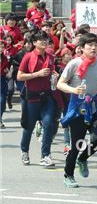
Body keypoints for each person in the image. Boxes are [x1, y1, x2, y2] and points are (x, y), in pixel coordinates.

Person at [56, 33, 97, 188]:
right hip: (78, 108)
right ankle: (68, 175)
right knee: (76, 144)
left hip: (92, 107)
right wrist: (74, 90)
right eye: (89, 45)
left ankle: (83, 159)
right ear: (81, 48)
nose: (93, 48)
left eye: (96, 45)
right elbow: (60, 84)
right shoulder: (74, 63)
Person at [17, 31, 58, 167]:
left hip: (47, 96)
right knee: (28, 126)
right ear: (34, 43)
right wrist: (37, 74)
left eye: (45, 39)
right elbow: (20, 76)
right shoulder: (28, 57)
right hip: (31, 97)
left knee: (48, 124)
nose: (44, 42)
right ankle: (25, 151)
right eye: (41, 40)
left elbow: (52, 71)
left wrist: (54, 75)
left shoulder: (51, 57)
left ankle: (45, 155)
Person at [0, 40, 11, 128]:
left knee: (2, 101)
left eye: (2, 47)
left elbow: (6, 68)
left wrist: (8, 71)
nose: (1, 48)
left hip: (2, 80)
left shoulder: (4, 58)